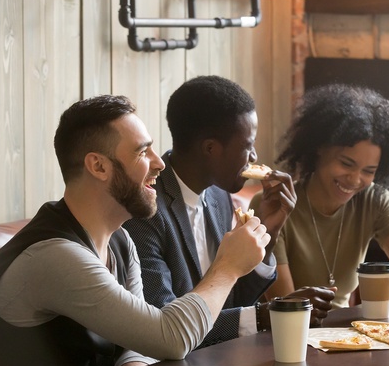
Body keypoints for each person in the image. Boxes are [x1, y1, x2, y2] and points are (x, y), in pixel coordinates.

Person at [0, 95, 268, 366]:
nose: (159, 164)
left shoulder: (121, 240)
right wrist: (228, 266)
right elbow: (171, 337)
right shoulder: (54, 256)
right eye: (142, 153)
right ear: (99, 166)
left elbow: (136, 340)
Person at [123, 76, 334, 345]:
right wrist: (263, 316)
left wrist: (269, 229)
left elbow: (230, 301)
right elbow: (166, 325)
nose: (255, 157)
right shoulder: (145, 210)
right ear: (211, 149)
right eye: (248, 146)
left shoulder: (219, 195)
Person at [254, 84, 389, 308]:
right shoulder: (275, 205)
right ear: (319, 148)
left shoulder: (375, 202)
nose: (355, 179)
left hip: (346, 335)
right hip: (287, 333)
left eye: (368, 171)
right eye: (346, 163)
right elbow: (285, 307)